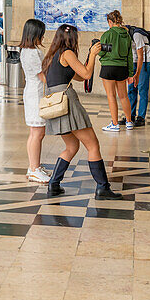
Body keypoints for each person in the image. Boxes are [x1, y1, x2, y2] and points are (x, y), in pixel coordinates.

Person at [41, 24, 122, 200]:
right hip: (67, 102)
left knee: (71, 146)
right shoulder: (67, 53)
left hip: (56, 103)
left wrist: (90, 58)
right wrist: (92, 54)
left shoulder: (53, 55)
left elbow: (77, 75)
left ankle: (54, 184)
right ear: (72, 38)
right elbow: (86, 75)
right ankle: (103, 188)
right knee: (92, 145)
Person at [18, 19, 51, 183]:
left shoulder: (27, 50)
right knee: (37, 133)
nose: (43, 37)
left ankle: (34, 166)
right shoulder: (32, 52)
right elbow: (42, 77)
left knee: (36, 132)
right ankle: (34, 169)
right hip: (35, 93)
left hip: (33, 92)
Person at [98, 11, 135, 132]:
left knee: (111, 96)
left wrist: (97, 48)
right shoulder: (127, 35)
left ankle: (115, 124)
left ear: (110, 22)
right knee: (124, 96)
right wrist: (130, 74)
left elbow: (102, 52)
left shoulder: (107, 34)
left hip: (108, 67)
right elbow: (130, 56)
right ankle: (129, 122)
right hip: (122, 68)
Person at [125, 24, 150, 127]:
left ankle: (141, 117)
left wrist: (137, 74)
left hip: (145, 62)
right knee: (131, 88)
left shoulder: (136, 35)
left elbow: (140, 56)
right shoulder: (123, 36)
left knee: (142, 89)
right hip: (133, 62)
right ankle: (130, 116)